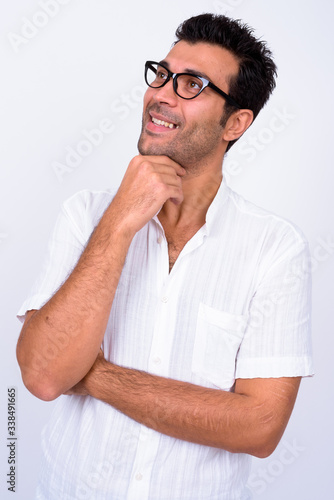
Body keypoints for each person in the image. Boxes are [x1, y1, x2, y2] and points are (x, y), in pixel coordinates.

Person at [16, 13, 313, 500]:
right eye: (162, 75)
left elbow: (259, 429)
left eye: (192, 84)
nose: (162, 93)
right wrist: (119, 223)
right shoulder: (86, 214)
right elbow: (44, 377)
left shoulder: (274, 248)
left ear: (236, 123)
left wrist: (93, 375)